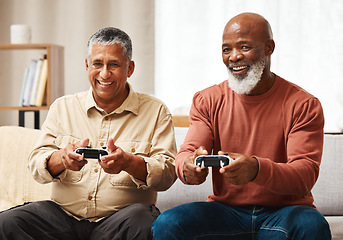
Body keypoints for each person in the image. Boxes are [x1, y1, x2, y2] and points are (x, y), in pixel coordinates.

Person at [152, 12, 331, 240]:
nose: (234, 56)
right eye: (226, 49)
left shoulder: (304, 104)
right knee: (168, 224)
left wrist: (257, 169)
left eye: (244, 47)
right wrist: (187, 167)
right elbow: (187, 152)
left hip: (284, 213)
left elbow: (304, 175)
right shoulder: (207, 100)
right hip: (226, 211)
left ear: (269, 48)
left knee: (311, 225)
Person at [0, 27, 177, 240]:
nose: (104, 74)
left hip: (120, 221)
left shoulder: (156, 111)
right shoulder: (62, 107)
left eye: (114, 64)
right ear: (86, 65)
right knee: (7, 222)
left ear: (129, 68)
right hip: (62, 217)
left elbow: (167, 174)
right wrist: (61, 159)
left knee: (143, 221)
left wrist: (129, 163)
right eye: (97, 64)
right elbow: (36, 165)